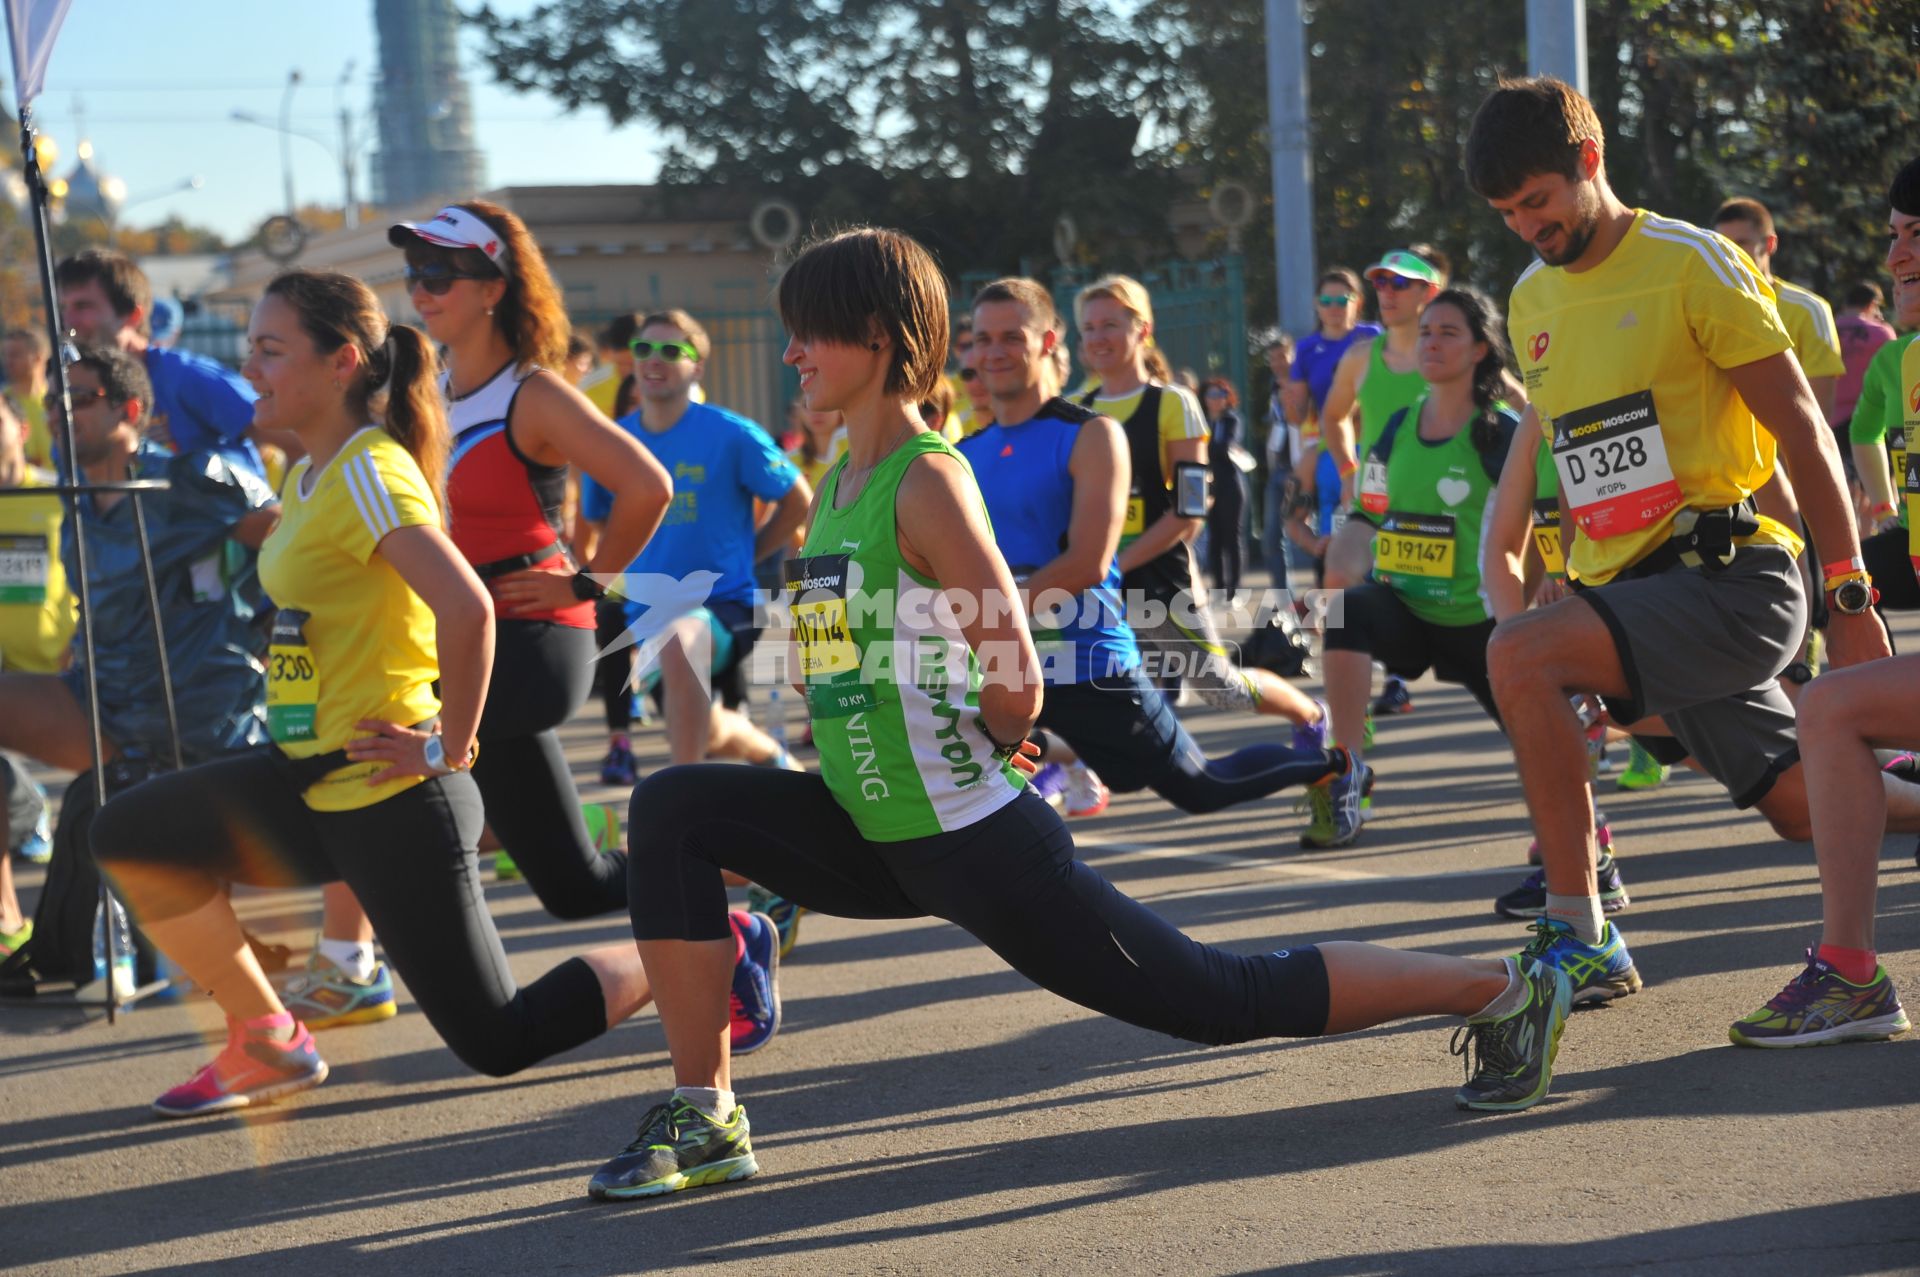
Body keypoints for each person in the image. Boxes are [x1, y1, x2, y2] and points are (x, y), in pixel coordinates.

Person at [582, 228, 1576, 1202]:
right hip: (865, 817)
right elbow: (857, 647)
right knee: (674, 807)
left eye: (811, 332)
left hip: (967, 835)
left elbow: (1012, 667)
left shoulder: (923, 475)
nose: (793, 352)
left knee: (1219, 997)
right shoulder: (839, 475)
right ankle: (704, 1108)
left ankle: (1499, 985)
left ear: (879, 338)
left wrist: (983, 740)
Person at [88, 269, 775, 1117]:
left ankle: (721, 941)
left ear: (342, 363)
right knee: (131, 834)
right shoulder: (307, 476)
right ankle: (266, 1036)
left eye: (269, 349)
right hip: (305, 771)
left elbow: (468, 605)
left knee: (500, 1038)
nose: (250, 368)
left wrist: (448, 746)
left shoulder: (372, 470)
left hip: (392, 790)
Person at [1464, 76, 1920, 1032]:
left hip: (1733, 582)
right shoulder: (1531, 297)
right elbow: (1577, 464)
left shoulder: (1694, 262)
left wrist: (1847, 588)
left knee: (1517, 652)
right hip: (1632, 592)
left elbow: (1801, 425)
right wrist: (1561, 579)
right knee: (1803, 804)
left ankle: (1581, 929)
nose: (1528, 228)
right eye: (1508, 214)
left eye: (1538, 202)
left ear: (1589, 162)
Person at [280, 202, 679, 1032]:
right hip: (466, 641)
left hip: (531, 642)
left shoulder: (533, 393)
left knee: (380, 761)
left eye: (440, 276)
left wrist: (586, 583)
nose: (420, 292)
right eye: (414, 276)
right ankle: (746, 879)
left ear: (494, 288)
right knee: (575, 887)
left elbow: (648, 485)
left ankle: (348, 960)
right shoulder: (421, 393)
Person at [963, 277, 1337, 820]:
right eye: (982, 339)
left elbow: (1177, 517)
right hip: (1026, 648)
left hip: (1144, 595)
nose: (1100, 337)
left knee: (1216, 706)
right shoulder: (972, 449)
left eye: (1111, 324)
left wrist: (1103, 569)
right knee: (979, 774)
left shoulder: (1137, 417)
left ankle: (1327, 750)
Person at [0, 344, 278, 990]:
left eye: (79, 401)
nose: (60, 415)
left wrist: (277, 635)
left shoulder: (190, 479)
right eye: (51, 404)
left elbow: (298, 540)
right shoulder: (73, 493)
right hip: (104, 700)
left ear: (130, 409)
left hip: (201, 711)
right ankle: (8, 920)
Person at [1727, 158, 1920, 1048]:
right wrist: (1854, 592)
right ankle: (1849, 973)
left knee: (1835, 706)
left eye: (1917, 233)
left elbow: (1804, 428)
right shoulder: (1909, 362)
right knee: (1836, 703)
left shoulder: (1801, 319)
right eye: (1893, 234)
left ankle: (1850, 974)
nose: (1897, 254)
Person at [1070, 276, 1330, 760]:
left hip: (1156, 575)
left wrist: (1116, 564)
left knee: (1218, 687)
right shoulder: (1075, 410)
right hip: (1091, 580)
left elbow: (1189, 513)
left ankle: (1310, 714)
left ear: (1142, 328)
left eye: (1111, 324)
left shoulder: (1173, 403)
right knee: (1090, 687)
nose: (1098, 338)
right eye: (1088, 328)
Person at [582, 308, 810, 771]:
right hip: (646, 616)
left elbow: (798, 499)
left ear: (697, 368)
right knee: (706, 728)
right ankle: (774, 757)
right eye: (644, 349)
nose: (654, 359)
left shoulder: (731, 434)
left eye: (671, 350)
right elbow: (595, 523)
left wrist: (754, 552)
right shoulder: (613, 443)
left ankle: (679, 802)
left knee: (679, 642)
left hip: (727, 605)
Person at [1317, 249, 1452, 718]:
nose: (1387, 293)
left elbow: (1511, 404)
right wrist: (1349, 471)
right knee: (1339, 573)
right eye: (1380, 283)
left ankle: (1604, 716)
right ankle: (1354, 709)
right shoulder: (1360, 357)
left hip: (1447, 503)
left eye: (1400, 284)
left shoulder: (1451, 352)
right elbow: (1332, 416)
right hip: (1377, 498)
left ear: (1428, 292)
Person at [53, 249, 291, 474]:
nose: (68, 321)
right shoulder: (69, 389)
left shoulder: (186, 376)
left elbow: (293, 442)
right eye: (64, 308)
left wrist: (292, 511)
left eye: (83, 306)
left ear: (132, 315)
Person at [1200, 376, 1248, 603]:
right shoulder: (1202, 420)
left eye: (1220, 395)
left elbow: (1225, 446)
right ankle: (1218, 590)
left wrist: (1205, 446)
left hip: (1230, 484)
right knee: (1215, 539)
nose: (1216, 400)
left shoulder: (1232, 420)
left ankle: (1234, 590)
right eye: (1211, 395)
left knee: (1232, 537)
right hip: (1209, 485)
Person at [1258, 334, 1299, 589]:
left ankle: (1334, 602)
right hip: (1278, 470)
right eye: (1272, 358)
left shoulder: (1305, 385)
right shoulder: (1273, 390)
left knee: (1318, 536)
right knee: (1271, 539)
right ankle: (1286, 602)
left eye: (1281, 356)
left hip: (1303, 469)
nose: (1276, 363)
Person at [3, 326, 53, 468]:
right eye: (5, 355)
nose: (8, 361)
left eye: (15, 355)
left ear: (38, 357)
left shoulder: (60, 402)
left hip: (60, 489)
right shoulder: (3, 407)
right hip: (18, 490)